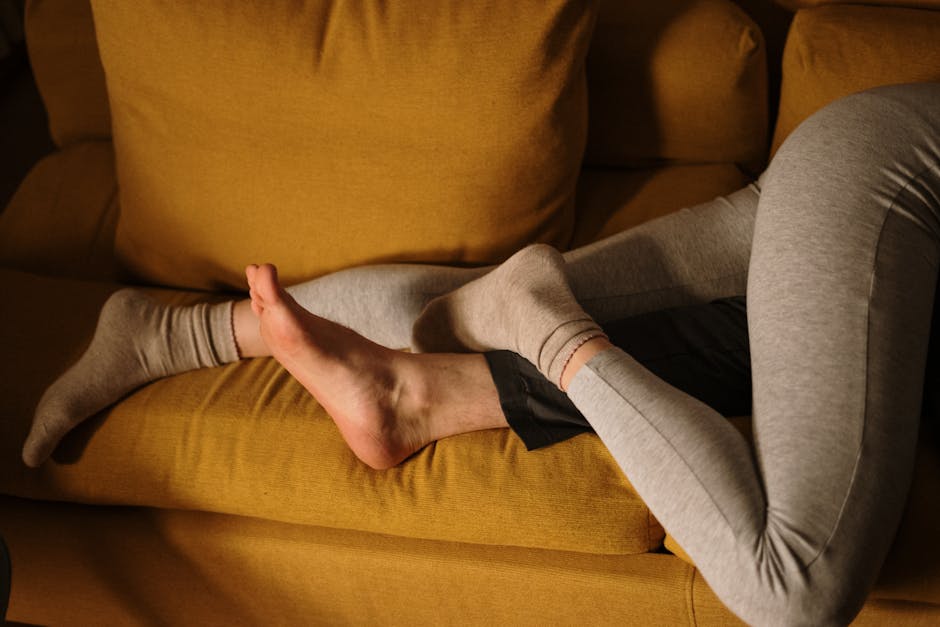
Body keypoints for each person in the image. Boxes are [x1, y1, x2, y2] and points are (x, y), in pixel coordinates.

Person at [21, 82, 940, 625]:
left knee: (439, 323)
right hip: (887, 175)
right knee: (797, 582)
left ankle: (169, 330)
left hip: (868, 176)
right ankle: (541, 321)